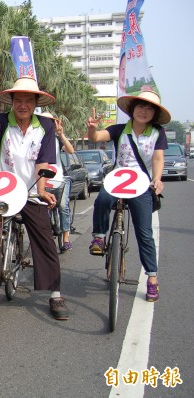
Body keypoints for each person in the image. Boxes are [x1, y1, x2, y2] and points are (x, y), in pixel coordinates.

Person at [0, 76, 69, 320]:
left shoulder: (45, 127)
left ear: (36, 102)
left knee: (45, 239)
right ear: (12, 102)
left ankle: (55, 294)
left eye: (28, 100)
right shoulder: (2, 121)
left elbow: (43, 161)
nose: (23, 104)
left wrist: (43, 189)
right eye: (19, 100)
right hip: (3, 190)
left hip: (30, 191)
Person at [86, 90, 169, 302]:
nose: (144, 111)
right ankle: (99, 237)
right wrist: (92, 130)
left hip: (142, 185)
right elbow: (97, 137)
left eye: (149, 108)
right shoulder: (120, 130)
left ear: (155, 114)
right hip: (118, 180)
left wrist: (157, 179)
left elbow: (158, 159)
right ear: (132, 109)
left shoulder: (157, 132)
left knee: (144, 232)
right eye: (140, 106)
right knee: (102, 199)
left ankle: (151, 277)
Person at [41, 112, 75, 252]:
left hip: (60, 180)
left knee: (62, 207)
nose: (47, 124)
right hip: (42, 181)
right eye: (43, 121)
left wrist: (61, 134)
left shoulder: (56, 138)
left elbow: (70, 150)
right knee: (41, 211)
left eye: (50, 122)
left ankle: (66, 237)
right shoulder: (33, 138)